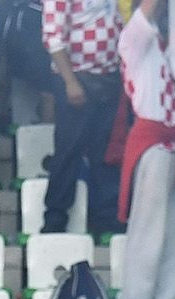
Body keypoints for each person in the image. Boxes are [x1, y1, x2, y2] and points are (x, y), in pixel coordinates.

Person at [112, 0, 175, 299]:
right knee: (147, 233)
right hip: (153, 139)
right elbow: (149, 9)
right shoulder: (133, 38)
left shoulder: (168, 48)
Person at [40, 0, 119, 237]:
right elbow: (53, 38)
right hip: (77, 78)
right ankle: (55, 219)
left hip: (109, 77)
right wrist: (70, 82)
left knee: (106, 152)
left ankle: (105, 218)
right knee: (68, 151)